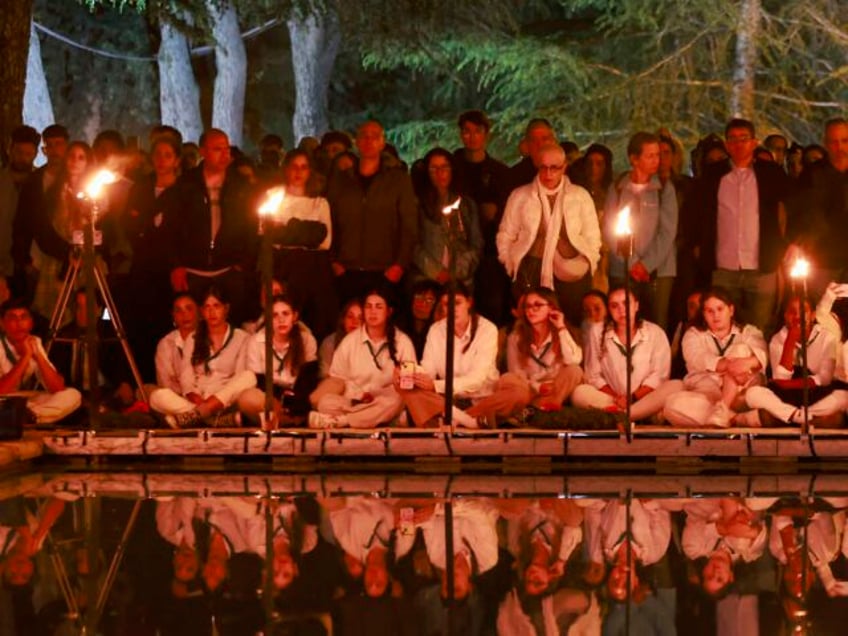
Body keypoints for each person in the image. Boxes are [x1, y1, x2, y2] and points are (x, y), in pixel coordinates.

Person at [692, 119, 790, 331]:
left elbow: (785, 211)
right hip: (724, 267)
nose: (738, 144)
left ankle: (758, 365)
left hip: (762, 266)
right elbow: (700, 214)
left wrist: (782, 247)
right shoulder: (713, 175)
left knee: (761, 327)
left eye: (743, 138)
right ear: (726, 145)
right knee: (723, 329)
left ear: (754, 142)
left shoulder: (770, 173)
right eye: (732, 139)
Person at [497, 143, 601, 325]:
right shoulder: (521, 196)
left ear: (564, 167)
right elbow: (506, 235)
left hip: (572, 274)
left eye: (554, 168)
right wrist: (510, 263)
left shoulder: (580, 196)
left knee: (570, 327)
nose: (548, 174)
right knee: (531, 327)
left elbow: (593, 237)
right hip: (530, 269)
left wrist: (589, 260)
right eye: (543, 168)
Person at [169, 128, 256, 326]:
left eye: (226, 149)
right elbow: (172, 227)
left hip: (228, 269)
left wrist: (243, 263)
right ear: (203, 152)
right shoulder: (186, 184)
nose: (224, 155)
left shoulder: (240, 185)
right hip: (193, 270)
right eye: (217, 149)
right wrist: (176, 264)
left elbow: (250, 226)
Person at [326, 120, 418, 303]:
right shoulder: (341, 181)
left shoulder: (398, 181)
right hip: (346, 269)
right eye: (364, 136)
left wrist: (399, 265)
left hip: (385, 271)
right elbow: (329, 221)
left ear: (382, 143)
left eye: (375, 137)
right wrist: (333, 261)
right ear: (356, 142)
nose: (369, 141)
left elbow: (409, 225)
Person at [466, 287, 582, 425]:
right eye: (527, 306)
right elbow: (516, 372)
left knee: (575, 371)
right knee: (509, 379)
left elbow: (574, 360)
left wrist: (561, 328)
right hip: (528, 389)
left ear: (551, 307)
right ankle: (468, 415)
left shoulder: (564, 333)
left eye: (537, 305)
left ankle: (531, 410)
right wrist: (537, 387)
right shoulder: (516, 337)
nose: (531, 310)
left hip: (555, 389)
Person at [308, 286, 415, 428]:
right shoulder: (350, 341)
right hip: (355, 401)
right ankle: (381, 419)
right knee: (325, 402)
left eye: (378, 307)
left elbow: (409, 384)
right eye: (368, 307)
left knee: (396, 399)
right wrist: (358, 397)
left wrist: (397, 382)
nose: (372, 312)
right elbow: (338, 379)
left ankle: (343, 421)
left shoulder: (403, 342)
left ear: (389, 311)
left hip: (385, 400)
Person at [149, 286, 255, 428]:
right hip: (196, 403)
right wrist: (193, 395)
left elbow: (239, 376)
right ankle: (212, 420)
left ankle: (194, 417)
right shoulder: (193, 338)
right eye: (207, 307)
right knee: (157, 397)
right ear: (202, 311)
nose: (212, 312)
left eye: (216, 306)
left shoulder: (243, 338)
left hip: (226, 402)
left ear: (226, 308)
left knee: (249, 377)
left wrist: (214, 401)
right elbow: (186, 376)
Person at [122, 135, 183, 381]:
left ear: (177, 160)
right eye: (157, 154)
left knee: (165, 322)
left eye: (167, 155)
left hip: (168, 268)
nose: (161, 160)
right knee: (138, 322)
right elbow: (129, 221)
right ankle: (139, 378)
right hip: (142, 265)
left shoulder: (183, 191)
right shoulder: (141, 186)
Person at [571, 287, 681, 422]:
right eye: (614, 306)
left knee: (676, 385)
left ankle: (626, 415)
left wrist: (632, 398)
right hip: (612, 399)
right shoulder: (597, 331)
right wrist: (617, 398)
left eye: (626, 303)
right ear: (609, 310)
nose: (621, 310)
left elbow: (659, 376)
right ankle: (638, 414)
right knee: (580, 393)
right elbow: (593, 374)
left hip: (644, 398)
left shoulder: (655, 332)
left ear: (636, 305)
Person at [604, 131, 678, 331]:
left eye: (658, 155)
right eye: (650, 155)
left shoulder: (664, 187)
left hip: (659, 271)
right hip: (623, 268)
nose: (657, 160)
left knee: (656, 324)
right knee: (624, 322)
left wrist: (646, 264)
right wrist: (632, 261)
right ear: (634, 159)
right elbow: (611, 229)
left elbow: (668, 231)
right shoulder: (618, 187)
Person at [398, 283, 498, 428]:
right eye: (446, 304)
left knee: (514, 388)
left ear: (469, 303)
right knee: (400, 379)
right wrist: (415, 376)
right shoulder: (436, 329)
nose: (451, 309)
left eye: (457, 303)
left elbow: (477, 380)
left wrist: (434, 385)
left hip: (480, 400)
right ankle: (465, 421)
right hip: (446, 400)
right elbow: (428, 369)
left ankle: (445, 418)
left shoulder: (487, 330)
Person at [664, 287, 768, 428]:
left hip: (741, 393)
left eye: (720, 309)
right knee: (672, 405)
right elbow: (697, 359)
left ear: (731, 310)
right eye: (710, 311)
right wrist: (728, 365)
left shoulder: (749, 331)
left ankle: (724, 407)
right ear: (703, 314)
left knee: (741, 349)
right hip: (707, 394)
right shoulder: (693, 334)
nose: (715, 315)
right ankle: (734, 418)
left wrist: (748, 362)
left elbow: (762, 355)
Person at [744, 295, 846, 427]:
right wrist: (791, 340)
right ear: (785, 316)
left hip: (816, 393)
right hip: (787, 397)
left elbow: (825, 378)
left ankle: (787, 418)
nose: (797, 316)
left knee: (843, 396)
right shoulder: (777, 339)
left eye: (803, 311)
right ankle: (802, 418)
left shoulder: (827, 337)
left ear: (813, 315)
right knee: (752, 394)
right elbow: (780, 378)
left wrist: (793, 384)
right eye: (792, 312)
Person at [268, 148, 338, 339]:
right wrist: (309, 231)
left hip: (314, 269)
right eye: (294, 167)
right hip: (284, 268)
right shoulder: (274, 197)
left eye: (304, 167)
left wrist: (287, 231)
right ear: (286, 169)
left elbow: (325, 241)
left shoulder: (319, 202)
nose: (298, 172)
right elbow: (268, 235)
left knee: (315, 323)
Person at [451, 110, 512, 325]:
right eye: (466, 131)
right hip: (456, 249)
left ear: (486, 134)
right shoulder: (451, 168)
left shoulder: (500, 172)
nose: (472, 136)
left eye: (477, 131)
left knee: (490, 307)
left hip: (490, 251)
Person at [30, 141, 93, 321]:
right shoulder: (53, 193)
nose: (75, 161)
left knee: (85, 313)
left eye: (81, 158)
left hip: (87, 260)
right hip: (58, 259)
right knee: (56, 314)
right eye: (72, 156)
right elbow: (44, 229)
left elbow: (102, 226)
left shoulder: (95, 193)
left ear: (88, 162)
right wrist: (66, 252)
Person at [787, 118, 848, 296]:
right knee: (822, 314)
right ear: (826, 144)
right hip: (822, 258)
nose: (840, 147)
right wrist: (796, 242)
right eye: (834, 142)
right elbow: (798, 212)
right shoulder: (813, 173)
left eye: (844, 141)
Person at [238, 293, 319, 425]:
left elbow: (309, 380)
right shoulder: (257, 341)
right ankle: (287, 421)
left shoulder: (306, 340)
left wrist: (293, 399)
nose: (281, 320)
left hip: (297, 399)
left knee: (313, 400)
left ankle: (273, 420)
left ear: (295, 316)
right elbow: (259, 381)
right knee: (247, 397)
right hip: (270, 398)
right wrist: (280, 398)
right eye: (275, 315)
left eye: (285, 314)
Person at [11, 124, 69, 304]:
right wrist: (23, 258)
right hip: (38, 260)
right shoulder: (34, 181)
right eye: (49, 145)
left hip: (70, 257)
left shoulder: (75, 176)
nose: (54, 150)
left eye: (58, 144)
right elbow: (22, 221)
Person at [411, 147, 483, 290]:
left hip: (462, 279)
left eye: (445, 167)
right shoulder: (418, 205)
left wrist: (460, 269)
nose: (440, 173)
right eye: (434, 168)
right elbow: (413, 244)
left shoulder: (466, 204)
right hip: (427, 279)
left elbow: (477, 242)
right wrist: (435, 271)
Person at [0, 298, 81, 423]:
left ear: (31, 323)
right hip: (2, 400)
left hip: (19, 403)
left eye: (23, 317)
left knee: (72, 394)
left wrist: (38, 356)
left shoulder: (34, 341)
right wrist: (26, 357)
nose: (19, 323)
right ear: (2, 324)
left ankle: (31, 417)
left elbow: (57, 387)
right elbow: (1, 390)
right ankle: (22, 418)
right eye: (12, 318)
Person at [0, 126, 40, 281]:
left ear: (35, 154)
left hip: (32, 265)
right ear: (10, 149)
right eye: (18, 152)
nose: (23, 158)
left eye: (28, 154)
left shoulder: (41, 183)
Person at [155, 292, 199, 394]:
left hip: (210, 396)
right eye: (178, 310)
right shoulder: (166, 343)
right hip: (179, 398)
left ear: (199, 312)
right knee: (158, 396)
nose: (184, 314)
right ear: (173, 316)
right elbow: (164, 382)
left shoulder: (211, 335)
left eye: (189, 308)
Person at [396, 278, 441, 361]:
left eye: (429, 300)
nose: (422, 304)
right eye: (418, 297)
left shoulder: (438, 332)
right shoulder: (399, 328)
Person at [317, 298, 362, 379]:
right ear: (343, 320)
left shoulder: (370, 344)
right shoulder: (330, 343)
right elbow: (326, 375)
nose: (355, 321)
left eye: (360, 318)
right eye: (350, 316)